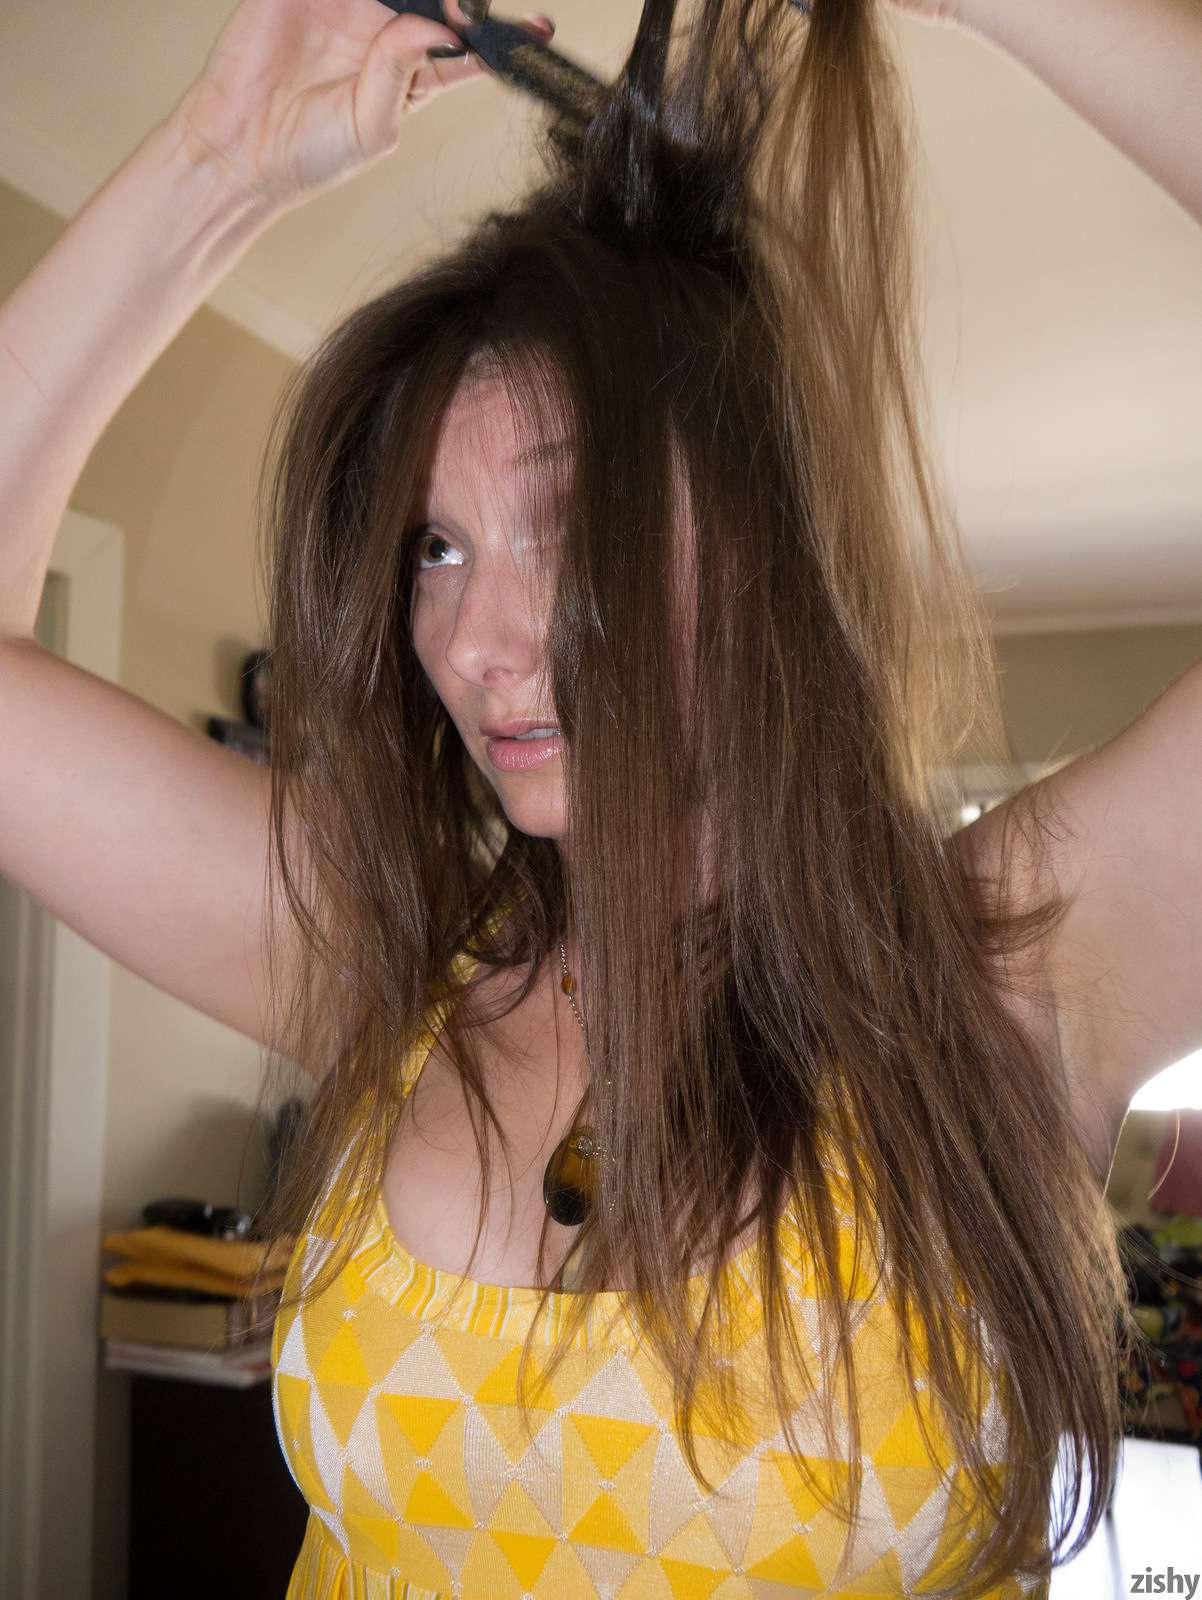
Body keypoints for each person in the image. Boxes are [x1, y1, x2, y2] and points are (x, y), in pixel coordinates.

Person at [1, 0, 1199, 1594]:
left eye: (563, 524)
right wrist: (215, 160)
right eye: (433, 548)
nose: (469, 641)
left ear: (770, 547)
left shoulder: (1017, 969)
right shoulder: (386, 957)